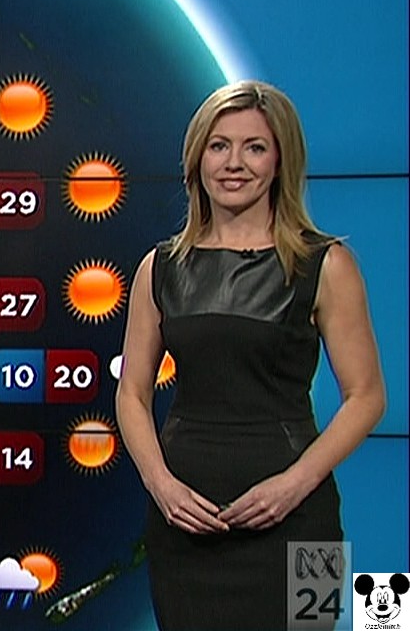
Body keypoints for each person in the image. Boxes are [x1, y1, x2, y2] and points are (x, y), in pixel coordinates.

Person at [115, 80, 386, 631]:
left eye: (255, 147)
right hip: (186, 524)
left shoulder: (327, 264)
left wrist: (293, 486)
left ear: (281, 161)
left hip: (303, 521)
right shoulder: (159, 268)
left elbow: (366, 397)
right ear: (197, 159)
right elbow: (132, 393)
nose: (234, 163)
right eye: (219, 146)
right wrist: (161, 486)